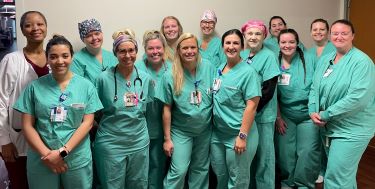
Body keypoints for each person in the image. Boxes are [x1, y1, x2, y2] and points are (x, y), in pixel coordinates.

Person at [13, 35, 103, 189]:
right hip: (42, 158)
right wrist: (47, 155)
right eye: (53, 57)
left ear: (72, 57)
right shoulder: (34, 87)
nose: (60, 61)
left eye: (65, 56)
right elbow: (27, 126)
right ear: (47, 59)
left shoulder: (86, 86)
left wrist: (62, 152)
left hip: (76, 156)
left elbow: (87, 123)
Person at [308, 19, 375, 189]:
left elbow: (357, 98)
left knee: (336, 178)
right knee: (342, 177)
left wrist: (325, 114)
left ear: (353, 35)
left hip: (352, 129)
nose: (339, 36)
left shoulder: (362, 62)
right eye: (335, 33)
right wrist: (312, 110)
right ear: (330, 36)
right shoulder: (326, 60)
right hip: (329, 127)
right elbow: (314, 88)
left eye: (344, 33)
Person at [93, 29, 154, 189]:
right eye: (122, 51)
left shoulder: (145, 78)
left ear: (136, 51)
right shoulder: (103, 79)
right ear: (115, 53)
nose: (127, 55)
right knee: (112, 185)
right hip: (111, 143)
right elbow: (92, 112)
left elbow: (147, 109)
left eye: (131, 50)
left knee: (139, 184)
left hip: (138, 142)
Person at [156, 33, 215, 189]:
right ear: (179, 51)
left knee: (201, 169)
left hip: (205, 129)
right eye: (185, 48)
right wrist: (167, 139)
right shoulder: (170, 75)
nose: (189, 51)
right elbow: (166, 109)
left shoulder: (208, 67)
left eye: (193, 47)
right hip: (181, 131)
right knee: (179, 170)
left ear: (198, 49)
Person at [0, 11, 49, 189]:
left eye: (39, 24)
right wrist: (4, 141)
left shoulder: (55, 59)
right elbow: (1, 100)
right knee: (21, 184)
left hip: (48, 139)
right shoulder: (11, 60)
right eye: (28, 25)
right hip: (17, 141)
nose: (35, 28)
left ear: (46, 27)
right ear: (21, 30)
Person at [210, 29, 261, 189]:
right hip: (218, 134)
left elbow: (252, 106)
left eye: (236, 43)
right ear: (222, 45)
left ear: (242, 47)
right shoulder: (219, 69)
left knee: (237, 180)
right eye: (228, 43)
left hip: (239, 134)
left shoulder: (248, 73)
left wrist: (242, 136)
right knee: (221, 176)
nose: (231, 47)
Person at [275, 29, 320, 189]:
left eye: (291, 42)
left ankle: (304, 185)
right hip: (285, 115)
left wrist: (315, 112)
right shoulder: (274, 61)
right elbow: (273, 94)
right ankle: (287, 183)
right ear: (278, 44)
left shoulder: (309, 59)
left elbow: (317, 87)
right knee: (285, 154)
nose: (287, 45)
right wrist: (278, 117)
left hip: (308, 114)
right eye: (283, 42)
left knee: (307, 153)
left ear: (297, 43)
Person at [240, 19, 280, 189]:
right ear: (244, 35)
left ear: (264, 36)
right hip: (244, 115)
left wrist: (252, 111)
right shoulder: (241, 55)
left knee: (264, 156)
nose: (253, 37)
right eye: (250, 33)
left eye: (258, 34)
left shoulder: (269, 56)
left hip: (262, 115)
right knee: (247, 155)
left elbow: (268, 90)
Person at [135, 30, 171, 189]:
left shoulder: (172, 68)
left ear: (164, 48)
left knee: (158, 165)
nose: (155, 52)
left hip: (164, 127)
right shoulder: (137, 68)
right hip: (139, 127)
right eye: (150, 48)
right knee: (139, 167)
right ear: (145, 49)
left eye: (158, 48)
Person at [307, 18, 336, 184]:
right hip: (315, 98)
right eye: (315, 29)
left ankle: (329, 171)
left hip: (331, 99)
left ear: (328, 32)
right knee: (317, 139)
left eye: (322, 29)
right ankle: (320, 169)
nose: (318, 32)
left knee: (329, 140)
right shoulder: (309, 52)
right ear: (311, 32)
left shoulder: (335, 49)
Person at [70, 18, 117, 84]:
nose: (94, 38)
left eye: (97, 33)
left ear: (102, 34)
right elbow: (78, 87)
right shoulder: (77, 60)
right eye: (89, 36)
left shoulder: (113, 56)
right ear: (83, 39)